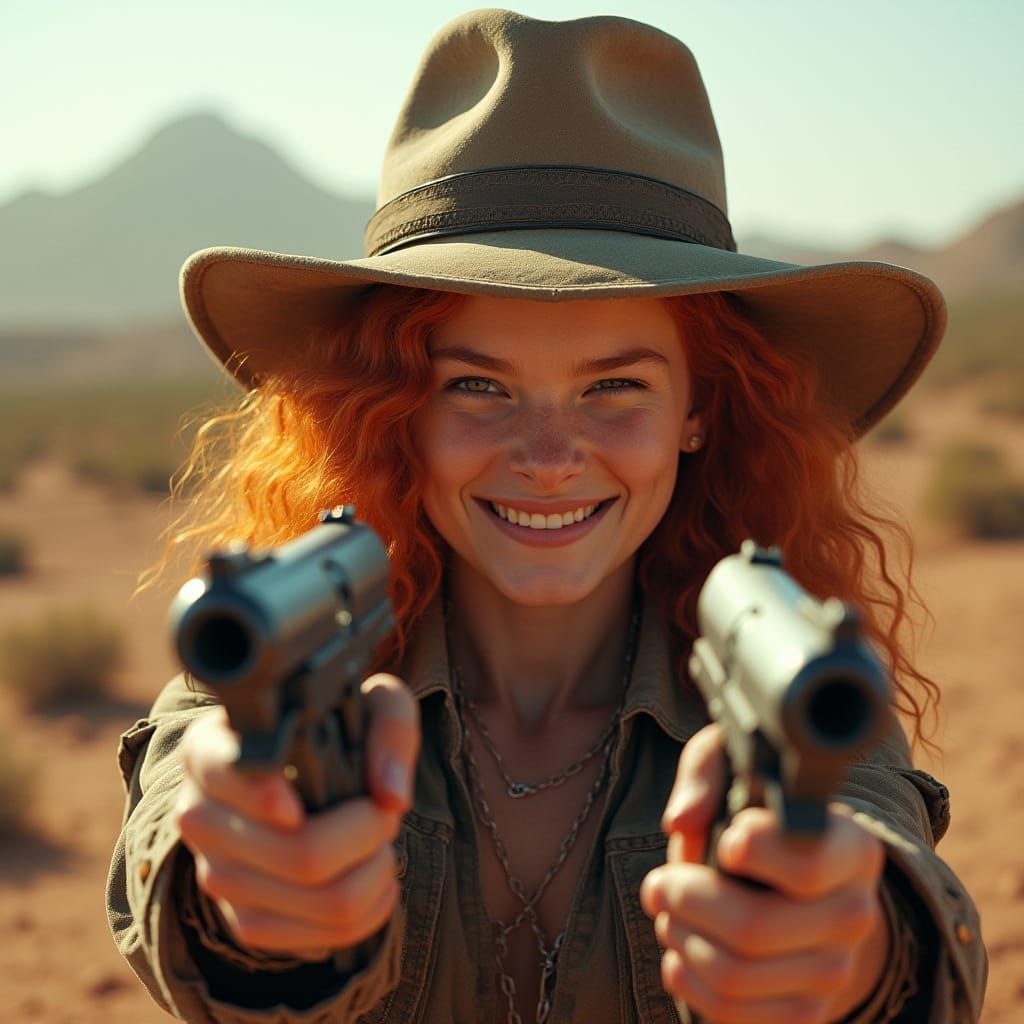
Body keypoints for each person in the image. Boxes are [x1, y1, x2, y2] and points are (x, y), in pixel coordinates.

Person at [107, 9, 987, 1023]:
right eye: (477, 387)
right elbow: (184, 802)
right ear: (399, 409)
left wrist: (855, 953)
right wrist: (249, 905)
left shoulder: (782, 671)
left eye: (613, 384)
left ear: (698, 411)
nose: (548, 457)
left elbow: (878, 852)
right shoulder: (295, 648)